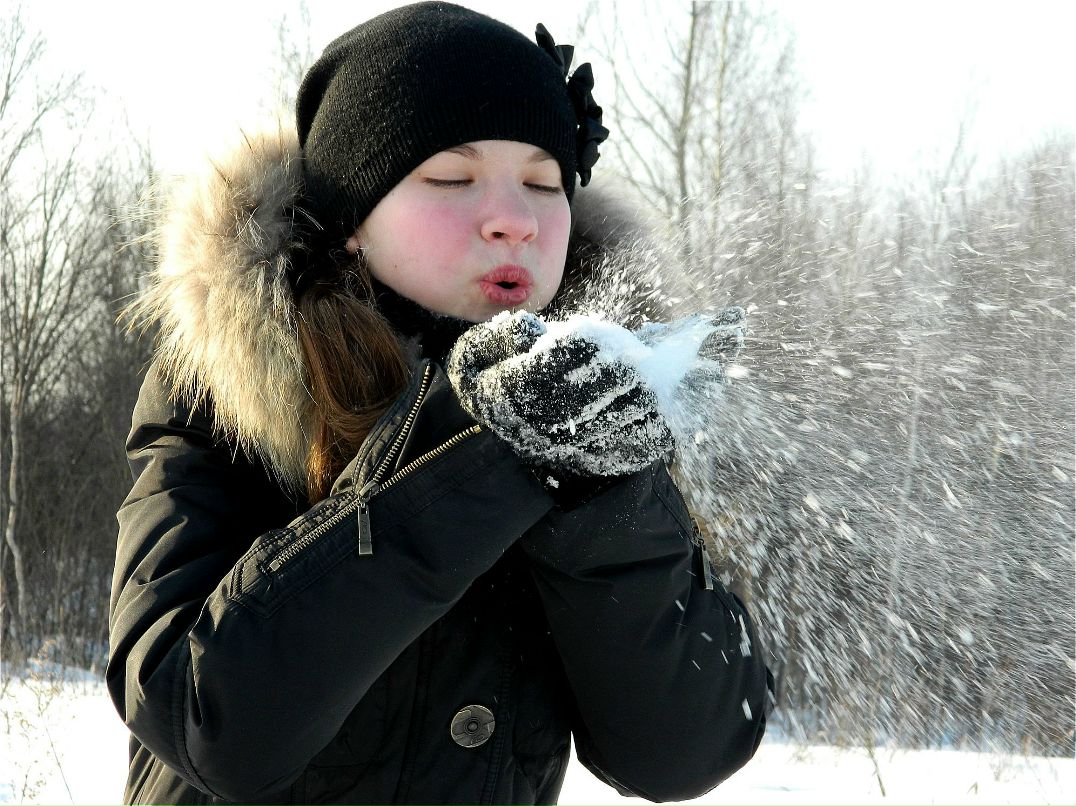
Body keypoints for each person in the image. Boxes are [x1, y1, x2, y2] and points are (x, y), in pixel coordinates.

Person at [107, 3, 773, 804]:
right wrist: (481, 448)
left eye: (544, 182)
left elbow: (684, 752)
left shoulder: (597, 404)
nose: (515, 221)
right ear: (353, 219)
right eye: (452, 178)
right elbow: (206, 719)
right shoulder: (222, 394)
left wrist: (601, 497)